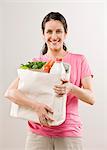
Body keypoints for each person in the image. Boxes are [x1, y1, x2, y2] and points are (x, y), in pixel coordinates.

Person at [4, 12, 95, 150]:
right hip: (37, 134)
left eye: (58, 31)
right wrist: (36, 106)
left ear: (66, 33)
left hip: (69, 134)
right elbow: (10, 93)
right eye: (49, 31)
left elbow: (91, 98)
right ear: (43, 34)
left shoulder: (79, 60)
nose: (54, 36)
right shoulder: (36, 63)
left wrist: (71, 88)